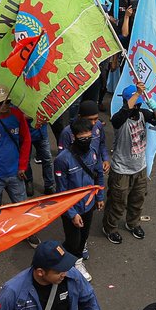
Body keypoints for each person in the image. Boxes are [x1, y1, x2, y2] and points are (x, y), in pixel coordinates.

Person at [104, 84, 156, 244]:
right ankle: (110, 227)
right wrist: (137, 93)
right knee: (117, 202)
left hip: (140, 167)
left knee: (137, 199)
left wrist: (154, 107)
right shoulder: (119, 119)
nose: (126, 104)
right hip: (121, 169)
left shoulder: (143, 114)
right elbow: (122, 115)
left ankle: (133, 223)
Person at [54, 118, 106, 280]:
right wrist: (72, 214)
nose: (86, 141)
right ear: (74, 137)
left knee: (83, 236)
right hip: (72, 208)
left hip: (89, 205)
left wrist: (100, 197)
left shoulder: (92, 153)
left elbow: (98, 175)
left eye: (89, 137)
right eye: (82, 138)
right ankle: (73, 263)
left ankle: (73, 255)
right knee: (73, 240)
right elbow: (61, 192)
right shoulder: (62, 160)